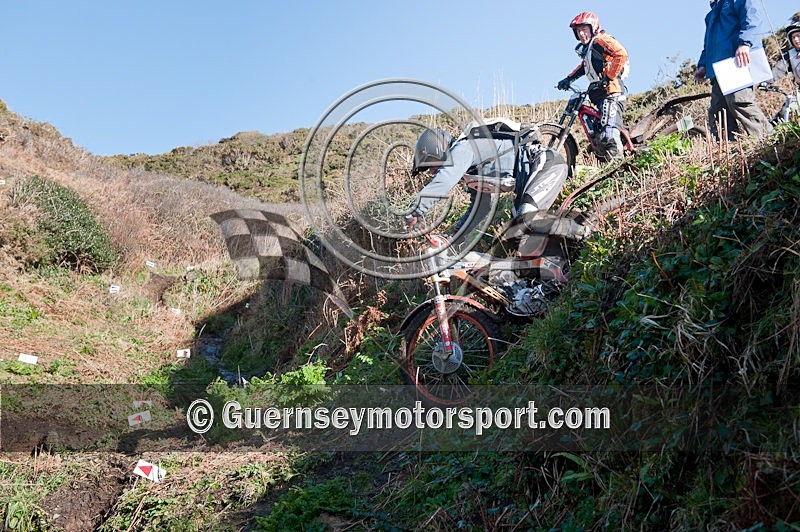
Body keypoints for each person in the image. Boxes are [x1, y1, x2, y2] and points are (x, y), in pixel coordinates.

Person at [405, 121, 588, 283]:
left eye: (430, 165)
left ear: (438, 150)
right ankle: (561, 268)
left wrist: (416, 209)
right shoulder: (471, 173)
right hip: (529, 178)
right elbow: (481, 209)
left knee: (526, 220)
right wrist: (453, 240)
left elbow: (445, 180)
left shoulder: (464, 148)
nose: (431, 172)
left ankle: (583, 232)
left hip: (544, 163)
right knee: (519, 240)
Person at [694, 0, 773, 140]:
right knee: (718, 111)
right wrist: (703, 65)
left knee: (739, 101)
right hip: (717, 68)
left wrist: (744, 43)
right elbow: (708, 44)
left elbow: (752, 19)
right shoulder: (711, 15)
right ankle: (726, 148)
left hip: (735, 61)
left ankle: (768, 139)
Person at [557, 11, 630, 159]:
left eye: (584, 30)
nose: (581, 34)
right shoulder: (589, 49)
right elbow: (584, 67)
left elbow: (621, 54)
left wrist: (608, 76)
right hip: (600, 94)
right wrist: (568, 79)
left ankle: (618, 166)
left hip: (612, 92)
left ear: (593, 28)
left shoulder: (600, 40)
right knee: (599, 132)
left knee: (608, 133)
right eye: (578, 31)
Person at [769, 21, 800, 86]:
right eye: (793, 37)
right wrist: (767, 81)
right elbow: (778, 69)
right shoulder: (790, 55)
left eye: (798, 36)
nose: (796, 39)